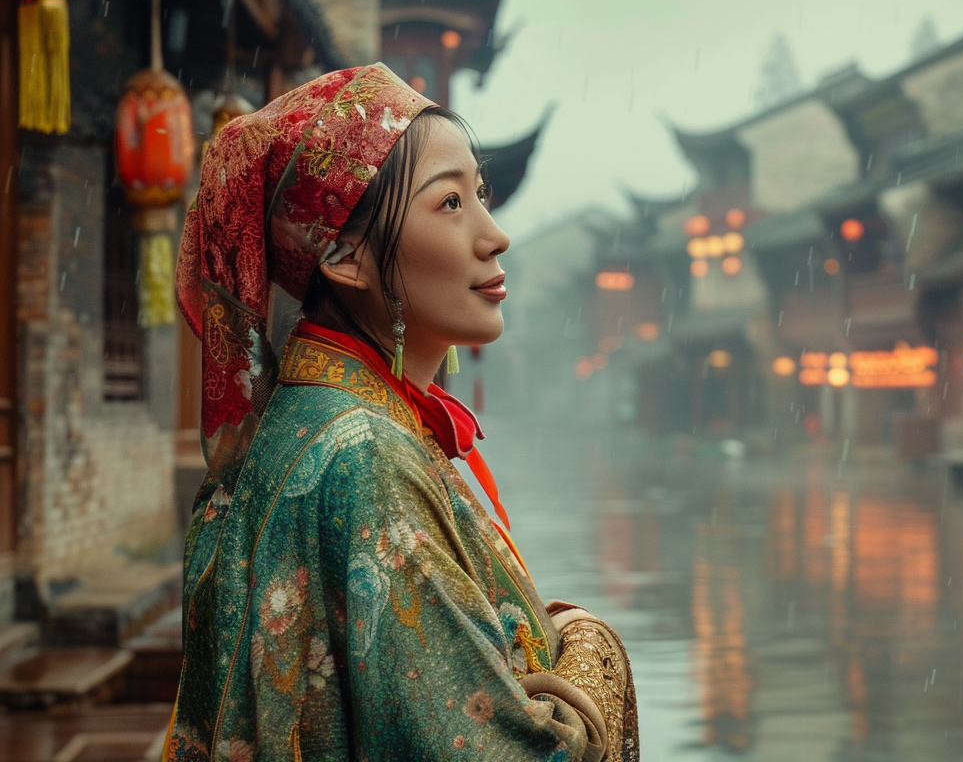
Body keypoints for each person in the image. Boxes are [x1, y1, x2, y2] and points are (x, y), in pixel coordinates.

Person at [166, 64, 637, 761]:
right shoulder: (366, 457)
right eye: (450, 204)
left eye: (482, 195)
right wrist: (591, 647)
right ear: (344, 256)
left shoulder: (325, 418)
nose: (495, 235)